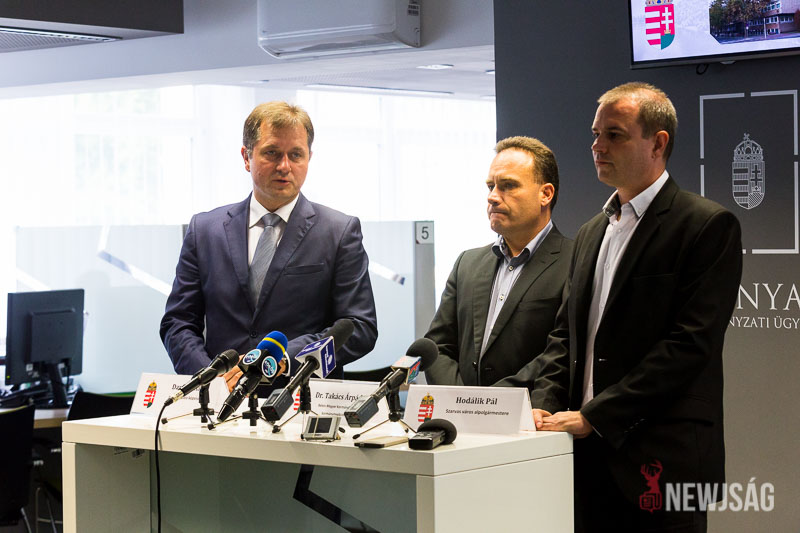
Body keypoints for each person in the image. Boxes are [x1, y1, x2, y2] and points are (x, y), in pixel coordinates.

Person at [506, 83, 742, 532]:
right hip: (582, 461)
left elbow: (689, 346)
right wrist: (543, 402)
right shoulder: (592, 231)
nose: (597, 146)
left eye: (614, 135)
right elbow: (564, 336)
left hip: (662, 461)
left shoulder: (706, 225)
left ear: (658, 143)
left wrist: (595, 416)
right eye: (596, 134)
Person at [160, 101, 378, 390]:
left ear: (309, 158)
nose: (284, 166)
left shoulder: (339, 231)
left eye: (296, 154)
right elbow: (177, 323)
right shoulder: (205, 230)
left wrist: (283, 359)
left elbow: (359, 327)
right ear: (246, 157)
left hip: (301, 398)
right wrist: (209, 376)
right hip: (218, 398)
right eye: (272, 153)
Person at [424, 136, 572, 386]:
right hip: (461, 409)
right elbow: (438, 347)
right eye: (490, 186)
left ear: (545, 194)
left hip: (533, 407)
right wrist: (462, 400)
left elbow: (563, 351)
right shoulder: (467, 263)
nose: (492, 197)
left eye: (508, 186)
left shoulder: (575, 261)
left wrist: (493, 401)